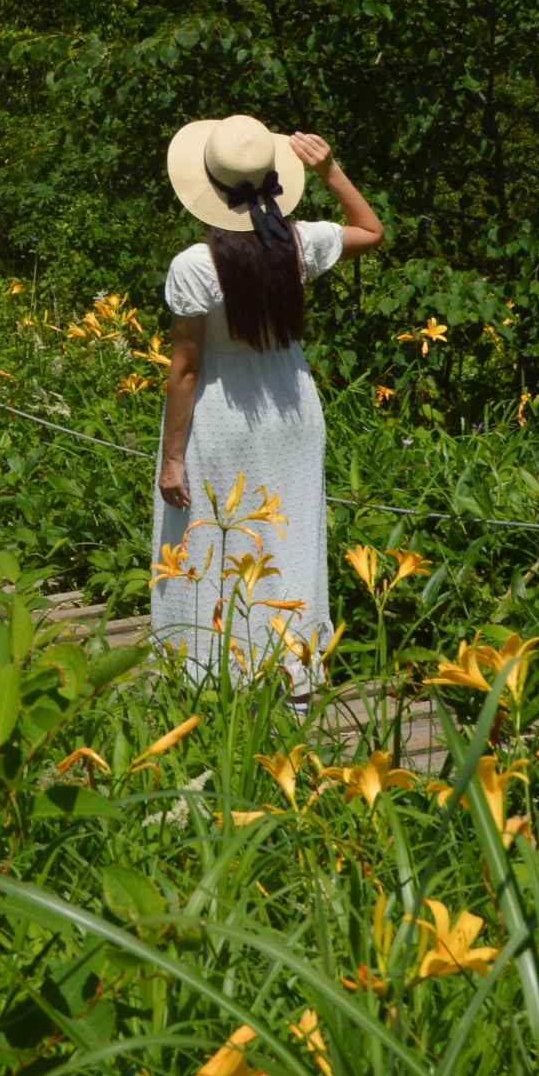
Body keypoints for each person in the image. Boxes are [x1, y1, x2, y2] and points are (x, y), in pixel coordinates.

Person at [150, 114, 383, 689]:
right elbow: (372, 230)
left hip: (222, 414)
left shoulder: (194, 266)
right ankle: (293, 672)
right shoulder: (300, 245)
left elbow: (185, 368)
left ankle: (212, 673)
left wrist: (171, 457)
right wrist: (329, 169)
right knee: (290, 535)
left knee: (211, 536)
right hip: (292, 405)